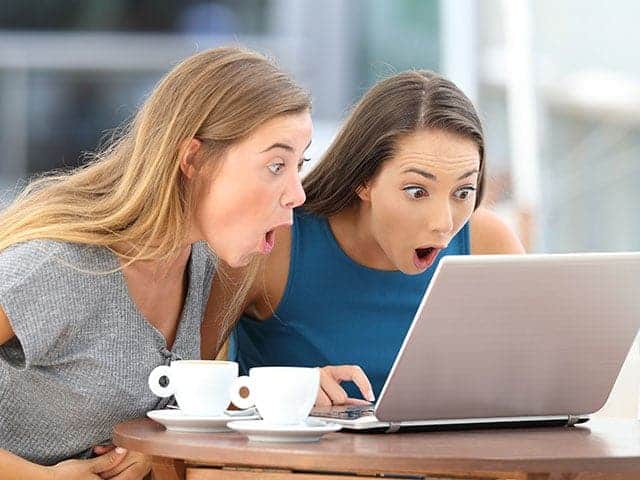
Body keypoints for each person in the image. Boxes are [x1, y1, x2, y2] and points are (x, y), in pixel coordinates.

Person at [0, 46, 311, 479]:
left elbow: (182, 409)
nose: (297, 193)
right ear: (193, 159)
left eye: (300, 163)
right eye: (276, 164)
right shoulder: (57, 266)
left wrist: (291, 397)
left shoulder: (208, 264)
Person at [203, 70, 524, 406]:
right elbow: (183, 394)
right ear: (363, 181)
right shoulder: (273, 244)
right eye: (417, 191)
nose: (443, 223)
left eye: (463, 191)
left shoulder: (489, 244)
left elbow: (539, 382)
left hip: (451, 457)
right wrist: (284, 393)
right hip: (302, 459)